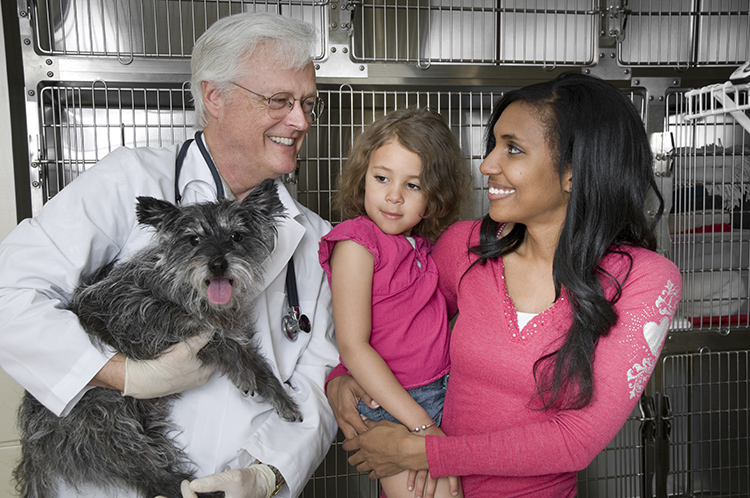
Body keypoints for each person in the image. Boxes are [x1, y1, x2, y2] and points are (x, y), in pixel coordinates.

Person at [0, 12, 339, 498]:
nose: (300, 121)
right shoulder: (130, 181)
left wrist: (268, 474)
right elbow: (10, 294)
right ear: (214, 97)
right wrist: (125, 375)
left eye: (308, 103)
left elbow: (318, 377)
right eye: (279, 101)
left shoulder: (313, 236)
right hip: (106, 483)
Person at [326, 73, 683, 498]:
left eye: (512, 148)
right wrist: (342, 378)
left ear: (573, 171)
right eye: (494, 144)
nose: (487, 164)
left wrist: (428, 452)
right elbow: (395, 322)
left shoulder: (645, 279)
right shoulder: (465, 245)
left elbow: (576, 441)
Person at [318, 108, 470, 498]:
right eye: (381, 178)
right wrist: (421, 425)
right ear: (363, 177)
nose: (393, 196)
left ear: (436, 197)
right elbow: (353, 345)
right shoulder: (356, 243)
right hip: (395, 405)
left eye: (413, 186)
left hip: (442, 389)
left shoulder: (421, 246)